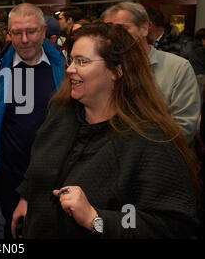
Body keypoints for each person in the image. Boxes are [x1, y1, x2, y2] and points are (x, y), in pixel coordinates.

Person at [12, 22, 201, 239]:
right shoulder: (61, 113)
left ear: (116, 71)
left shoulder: (151, 141)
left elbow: (171, 226)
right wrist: (27, 197)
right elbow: (40, 163)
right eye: (71, 60)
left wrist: (96, 219)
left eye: (82, 61)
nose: (70, 69)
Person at [0, 3, 65, 238]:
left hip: (56, 172)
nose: (24, 39)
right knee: (14, 231)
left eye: (31, 31)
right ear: (8, 33)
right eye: (17, 32)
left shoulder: (64, 64)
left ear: (44, 30)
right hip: (11, 174)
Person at [102, 2, 200, 145]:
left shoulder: (177, 68)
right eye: (108, 30)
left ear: (144, 29)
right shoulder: (104, 68)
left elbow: (184, 128)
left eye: (123, 29)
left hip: (161, 157)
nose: (114, 36)